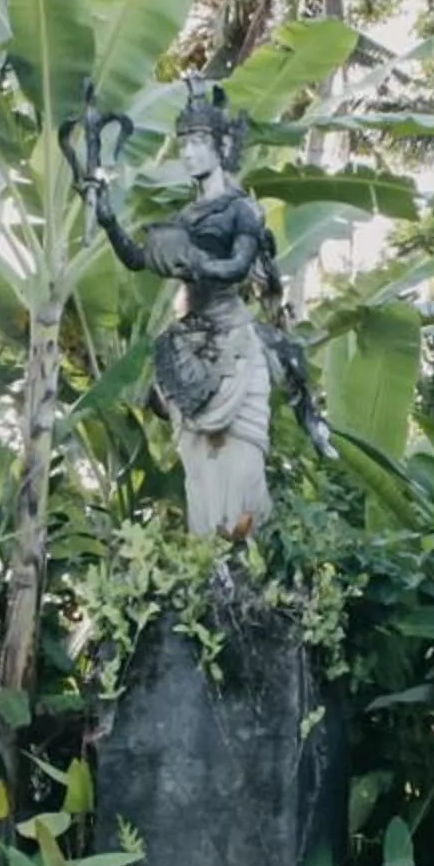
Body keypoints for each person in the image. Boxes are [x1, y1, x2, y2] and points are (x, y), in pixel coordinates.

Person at [79, 80, 330, 539]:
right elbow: (137, 259)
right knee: (199, 470)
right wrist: (108, 219)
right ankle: (210, 565)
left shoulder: (241, 211)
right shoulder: (182, 219)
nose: (189, 154)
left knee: (242, 463)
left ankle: (248, 560)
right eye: (183, 145)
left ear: (221, 146)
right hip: (187, 345)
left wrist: (195, 262)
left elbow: (237, 267)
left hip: (231, 340)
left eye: (197, 143)